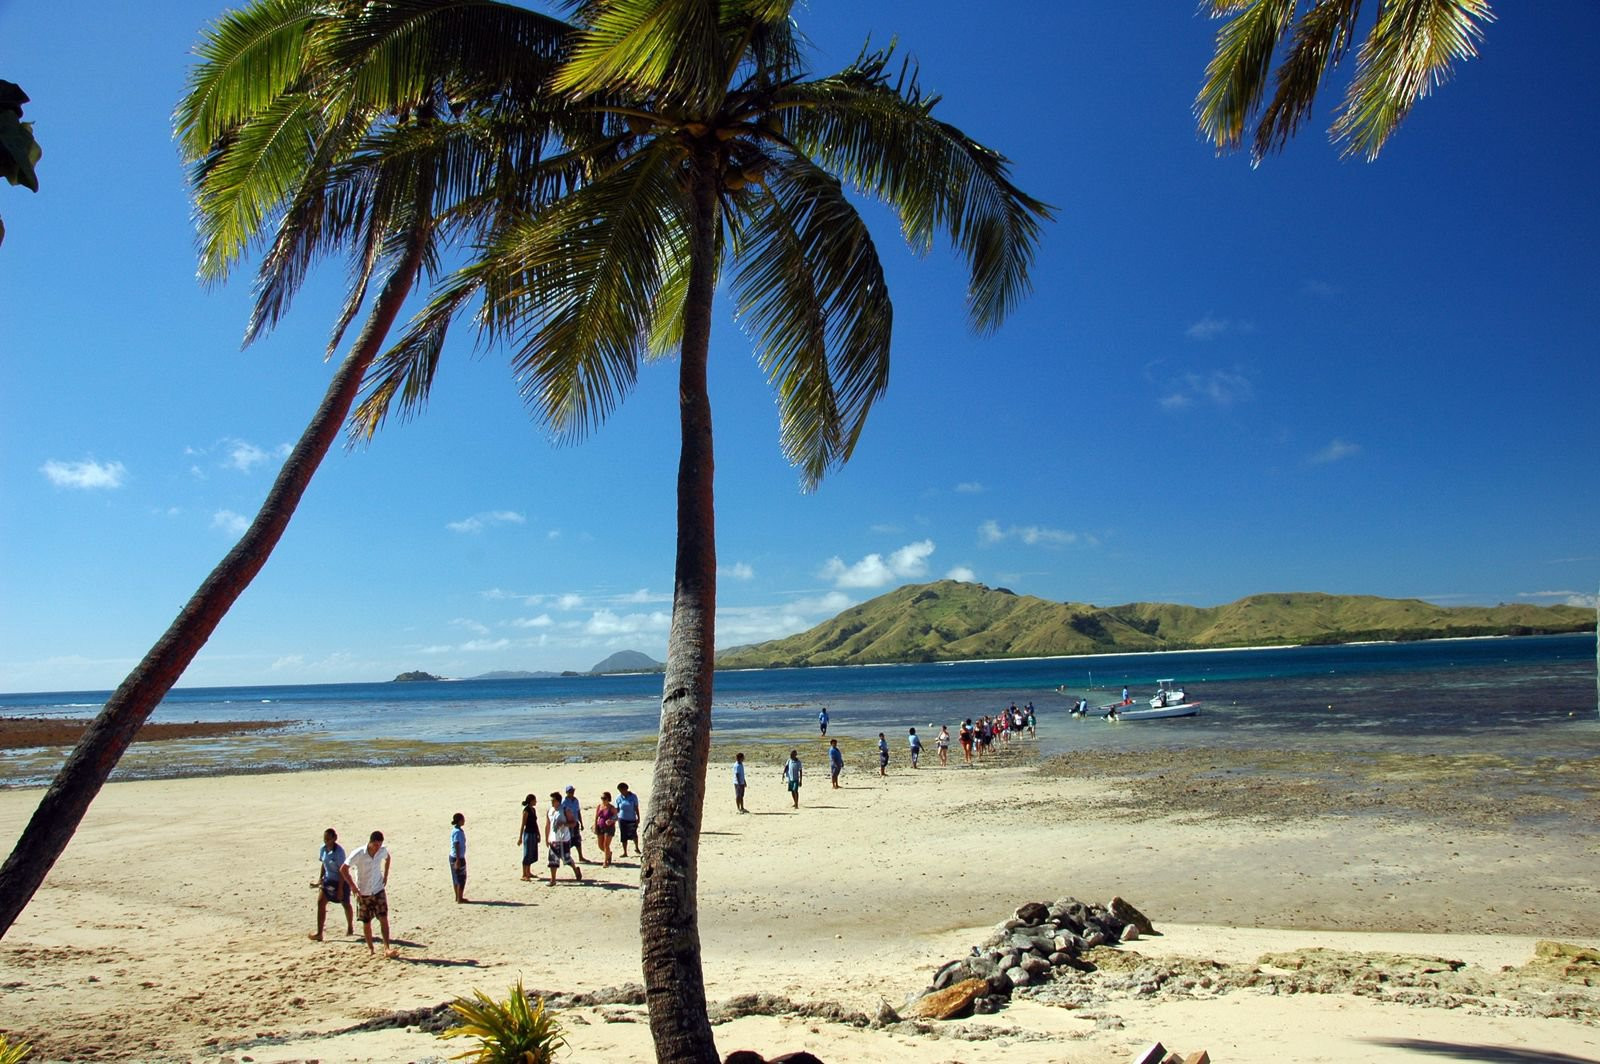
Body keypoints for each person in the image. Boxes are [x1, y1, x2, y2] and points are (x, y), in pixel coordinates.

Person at [341, 830, 396, 958]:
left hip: (378, 889)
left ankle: (386, 947)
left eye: (379, 845)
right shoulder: (359, 853)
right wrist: (353, 887)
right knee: (366, 921)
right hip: (363, 891)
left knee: (383, 917)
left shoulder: (382, 851)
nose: (377, 848)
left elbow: (388, 858)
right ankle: (370, 948)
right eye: (375, 845)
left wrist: (386, 875)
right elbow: (343, 869)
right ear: (370, 842)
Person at [309, 827, 353, 941]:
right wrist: (320, 879)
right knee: (320, 903)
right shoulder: (323, 849)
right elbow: (323, 864)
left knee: (346, 904)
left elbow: (342, 871)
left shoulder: (339, 852)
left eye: (328, 839)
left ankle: (350, 926)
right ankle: (319, 933)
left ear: (334, 838)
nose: (326, 841)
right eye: (325, 839)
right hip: (328, 880)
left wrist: (340, 889)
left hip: (341, 881)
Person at [544, 791, 582, 884]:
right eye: (551, 800)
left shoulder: (565, 810)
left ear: (558, 801)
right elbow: (547, 825)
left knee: (566, 858)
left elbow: (573, 823)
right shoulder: (550, 811)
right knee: (553, 860)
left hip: (564, 839)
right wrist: (546, 838)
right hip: (553, 839)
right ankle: (553, 880)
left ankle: (576, 870)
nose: (552, 802)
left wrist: (564, 824)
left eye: (553, 800)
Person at [561, 786, 588, 863]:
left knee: (577, 840)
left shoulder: (576, 800)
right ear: (567, 792)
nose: (571, 793)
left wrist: (581, 823)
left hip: (575, 823)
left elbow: (578, 811)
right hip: (568, 824)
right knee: (567, 840)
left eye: (572, 791)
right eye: (570, 792)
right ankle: (566, 857)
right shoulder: (564, 802)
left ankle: (581, 856)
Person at [615, 782, 641, 857]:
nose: (621, 792)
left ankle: (636, 847)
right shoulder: (618, 798)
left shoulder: (633, 797)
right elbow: (617, 809)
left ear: (626, 789)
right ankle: (625, 852)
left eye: (622, 790)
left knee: (634, 834)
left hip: (631, 818)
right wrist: (614, 818)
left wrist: (638, 818)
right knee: (623, 835)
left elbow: (636, 807)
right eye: (620, 790)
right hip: (622, 819)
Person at [518, 793, 539, 881]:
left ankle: (528, 872)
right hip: (528, 834)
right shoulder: (526, 811)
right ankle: (524, 874)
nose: (536, 802)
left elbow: (535, 822)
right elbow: (523, 825)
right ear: (531, 801)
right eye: (534, 800)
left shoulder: (533, 810)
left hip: (534, 833)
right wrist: (520, 838)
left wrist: (538, 833)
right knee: (527, 854)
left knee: (532, 853)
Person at [594, 791, 618, 867]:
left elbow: (616, 817)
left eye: (604, 798)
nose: (603, 800)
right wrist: (595, 825)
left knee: (606, 845)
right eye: (602, 798)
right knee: (600, 845)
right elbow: (596, 817)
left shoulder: (612, 808)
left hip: (609, 828)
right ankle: (609, 854)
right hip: (600, 827)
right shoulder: (599, 806)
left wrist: (611, 820)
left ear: (608, 799)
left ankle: (605, 861)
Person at [448, 812, 468, 904]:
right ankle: (460, 898)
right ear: (459, 821)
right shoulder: (458, 832)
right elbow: (456, 844)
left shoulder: (455, 830)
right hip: (458, 857)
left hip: (454, 857)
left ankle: (457, 897)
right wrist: (458, 860)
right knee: (461, 878)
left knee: (456, 878)